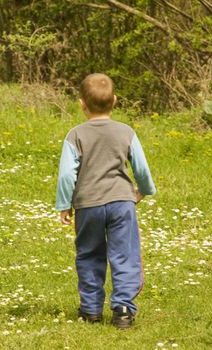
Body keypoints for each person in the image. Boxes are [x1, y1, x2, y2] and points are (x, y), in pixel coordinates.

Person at [56, 73, 156, 329]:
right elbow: (142, 169)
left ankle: (91, 309)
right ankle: (123, 308)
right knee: (124, 254)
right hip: (121, 202)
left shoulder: (75, 135)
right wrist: (143, 190)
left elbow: (68, 174)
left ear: (82, 104)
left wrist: (64, 204)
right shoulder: (126, 132)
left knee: (89, 254)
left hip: (88, 204)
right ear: (114, 100)